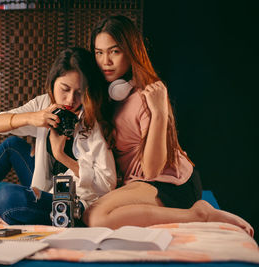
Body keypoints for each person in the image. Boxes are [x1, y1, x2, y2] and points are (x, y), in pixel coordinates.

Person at [82, 15, 254, 237]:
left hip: (170, 184)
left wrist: (160, 113)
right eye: (99, 52)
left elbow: (153, 170)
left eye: (114, 51)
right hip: (138, 183)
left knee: (96, 217)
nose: (106, 61)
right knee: (91, 214)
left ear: (131, 51)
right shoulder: (109, 94)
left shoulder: (147, 96)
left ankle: (200, 215)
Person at [0, 47, 117, 225]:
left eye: (79, 92)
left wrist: (62, 156)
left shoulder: (92, 117)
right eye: (65, 89)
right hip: (44, 186)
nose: (70, 100)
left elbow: (106, 183)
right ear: (53, 83)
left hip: (72, 199)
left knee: (6, 198)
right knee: (12, 145)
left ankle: (57, 217)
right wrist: (33, 118)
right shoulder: (44, 103)